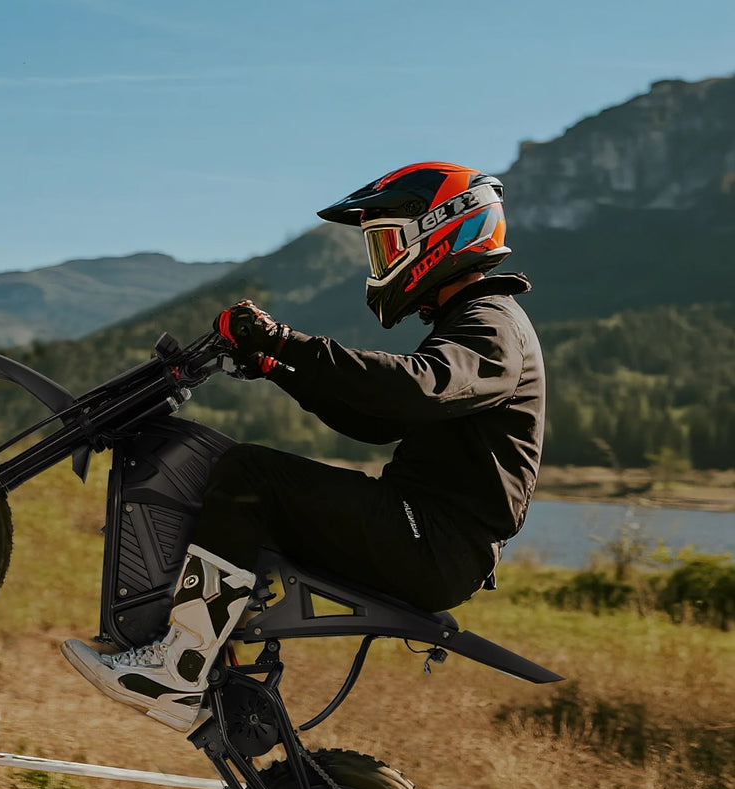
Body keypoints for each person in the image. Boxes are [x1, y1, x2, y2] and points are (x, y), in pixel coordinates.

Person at [63, 161, 546, 733]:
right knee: (249, 490)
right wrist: (275, 365)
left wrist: (288, 340)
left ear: (445, 230)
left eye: (389, 243)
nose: (383, 262)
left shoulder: (491, 325)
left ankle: (177, 667)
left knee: (251, 474)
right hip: (426, 532)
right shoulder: (469, 320)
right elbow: (374, 422)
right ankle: (204, 660)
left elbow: (410, 387)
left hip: (434, 543)